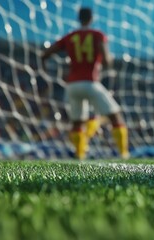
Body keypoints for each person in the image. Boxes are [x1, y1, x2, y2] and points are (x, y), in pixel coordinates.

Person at [42, 7, 129, 160]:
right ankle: (124, 154)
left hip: (72, 85)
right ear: (91, 19)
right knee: (115, 116)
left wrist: (44, 65)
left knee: (77, 122)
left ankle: (80, 155)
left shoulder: (70, 37)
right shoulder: (97, 35)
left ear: (78, 18)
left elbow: (47, 53)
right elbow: (106, 58)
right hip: (90, 82)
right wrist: (108, 61)